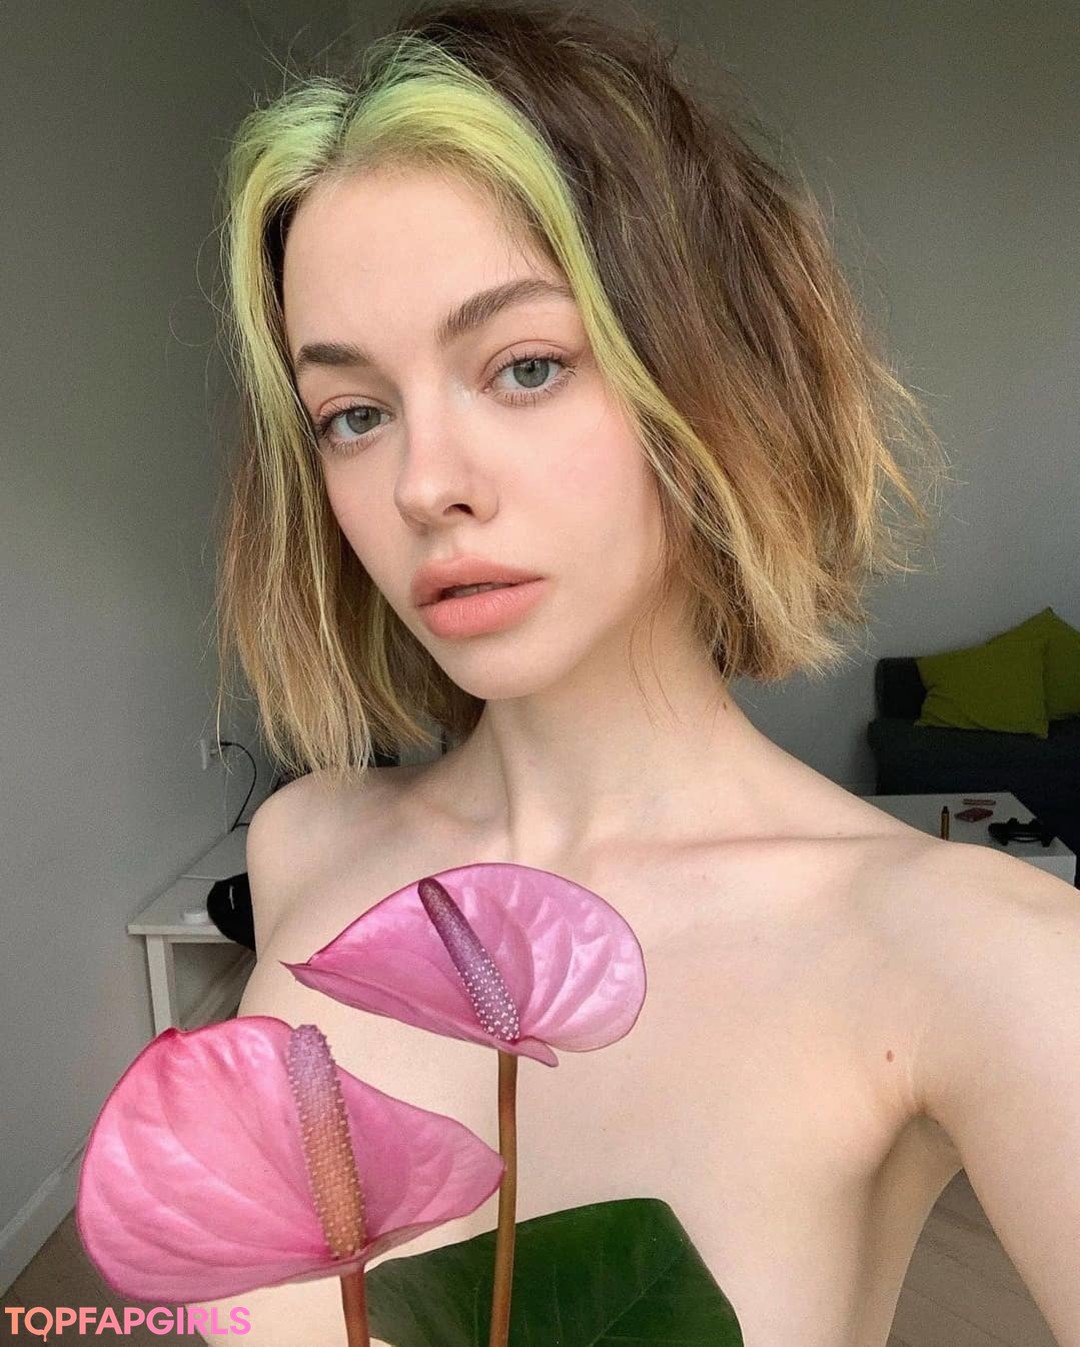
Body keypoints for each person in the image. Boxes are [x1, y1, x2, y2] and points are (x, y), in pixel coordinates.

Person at [203, 3, 983, 1343]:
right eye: (356, 414)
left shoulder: (958, 949)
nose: (425, 485)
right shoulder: (302, 848)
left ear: (718, 372)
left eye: (526, 366)